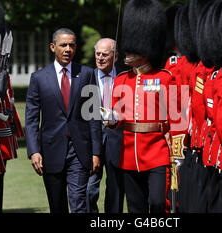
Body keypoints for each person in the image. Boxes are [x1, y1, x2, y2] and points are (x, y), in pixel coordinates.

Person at [104, 0, 187, 213]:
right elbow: (117, 117)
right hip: (129, 154)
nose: (126, 53)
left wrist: (176, 153)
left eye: (132, 50)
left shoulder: (165, 77)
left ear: (145, 47)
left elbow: (179, 117)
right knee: (135, 208)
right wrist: (112, 119)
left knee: (159, 203)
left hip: (157, 152)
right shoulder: (121, 80)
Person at [25, 28, 101, 213]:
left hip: (79, 152)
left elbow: (93, 116)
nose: (68, 49)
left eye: (72, 45)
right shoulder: (39, 78)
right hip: (51, 152)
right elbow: (32, 119)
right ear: (53, 47)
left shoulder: (87, 74)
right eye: (63, 45)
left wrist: (96, 152)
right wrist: (34, 151)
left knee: (79, 203)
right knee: (57, 206)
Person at [86, 38, 124, 213]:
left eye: (105, 54)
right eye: (97, 54)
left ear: (115, 57)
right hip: (92, 139)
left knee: (115, 187)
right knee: (89, 188)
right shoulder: (87, 77)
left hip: (118, 138)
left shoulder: (126, 77)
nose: (100, 58)